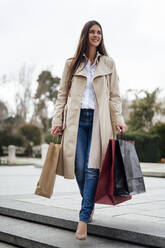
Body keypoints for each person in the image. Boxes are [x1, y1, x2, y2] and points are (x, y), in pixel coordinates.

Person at [51, 20, 126, 240]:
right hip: (75, 121)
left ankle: (83, 218)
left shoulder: (108, 63)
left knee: (92, 169)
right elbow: (62, 95)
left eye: (99, 32)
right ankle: (90, 203)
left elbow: (114, 96)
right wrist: (57, 120)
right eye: (92, 32)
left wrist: (118, 119)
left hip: (99, 121)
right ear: (85, 35)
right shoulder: (72, 64)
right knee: (79, 168)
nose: (96, 35)